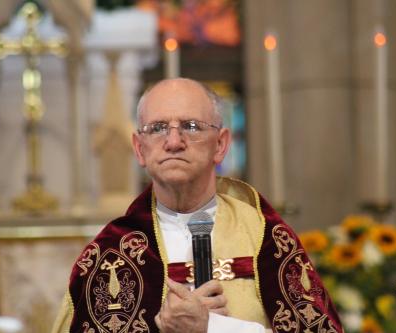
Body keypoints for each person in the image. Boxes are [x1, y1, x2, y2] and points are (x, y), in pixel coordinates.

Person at [51, 78, 343, 333]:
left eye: (191, 126)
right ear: (140, 149)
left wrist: (214, 329)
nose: (174, 141)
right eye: (158, 128)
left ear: (220, 145)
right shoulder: (111, 253)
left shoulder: (264, 236)